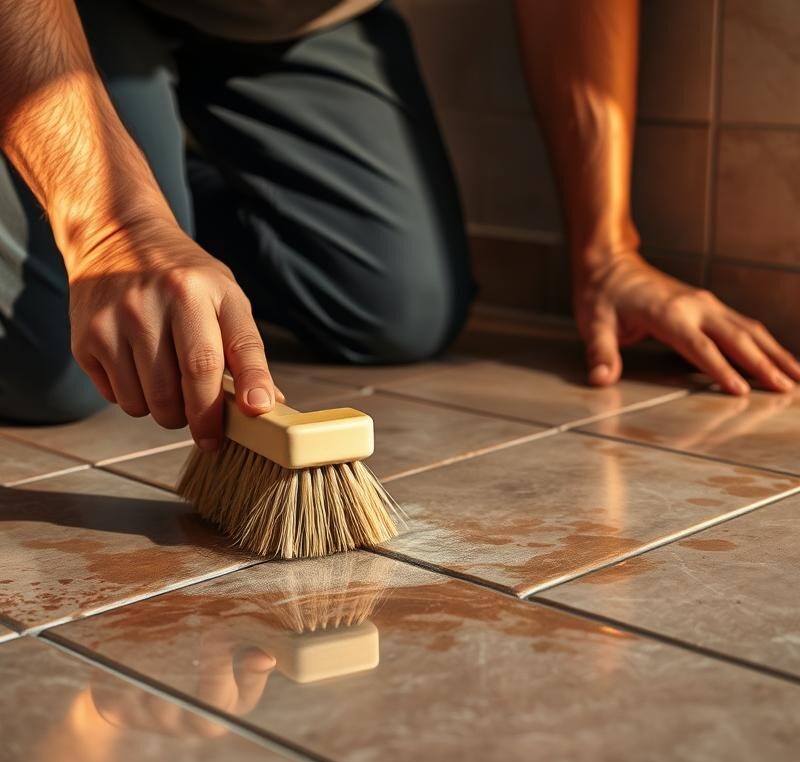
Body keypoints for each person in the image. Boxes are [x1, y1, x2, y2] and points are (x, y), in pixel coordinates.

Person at [1, 0, 797, 452]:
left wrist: (608, 250)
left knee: (403, 307)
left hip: (287, 23)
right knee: (57, 371)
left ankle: (163, 171)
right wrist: (112, 228)